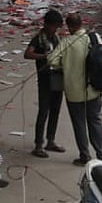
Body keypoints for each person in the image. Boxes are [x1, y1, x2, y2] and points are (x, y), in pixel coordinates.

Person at [47, 13, 102, 166]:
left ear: (70, 26)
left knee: (79, 124)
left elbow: (51, 60)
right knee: (95, 121)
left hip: (74, 92)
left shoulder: (66, 42)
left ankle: (85, 155)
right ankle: (101, 154)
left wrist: (64, 65)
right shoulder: (94, 38)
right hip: (93, 89)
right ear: (82, 23)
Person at [25, 9, 65, 159]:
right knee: (43, 112)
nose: (56, 29)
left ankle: (51, 140)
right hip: (45, 79)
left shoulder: (56, 38)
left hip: (57, 78)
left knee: (55, 110)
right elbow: (27, 54)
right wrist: (44, 57)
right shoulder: (38, 39)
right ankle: (38, 144)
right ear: (47, 24)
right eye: (54, 26)